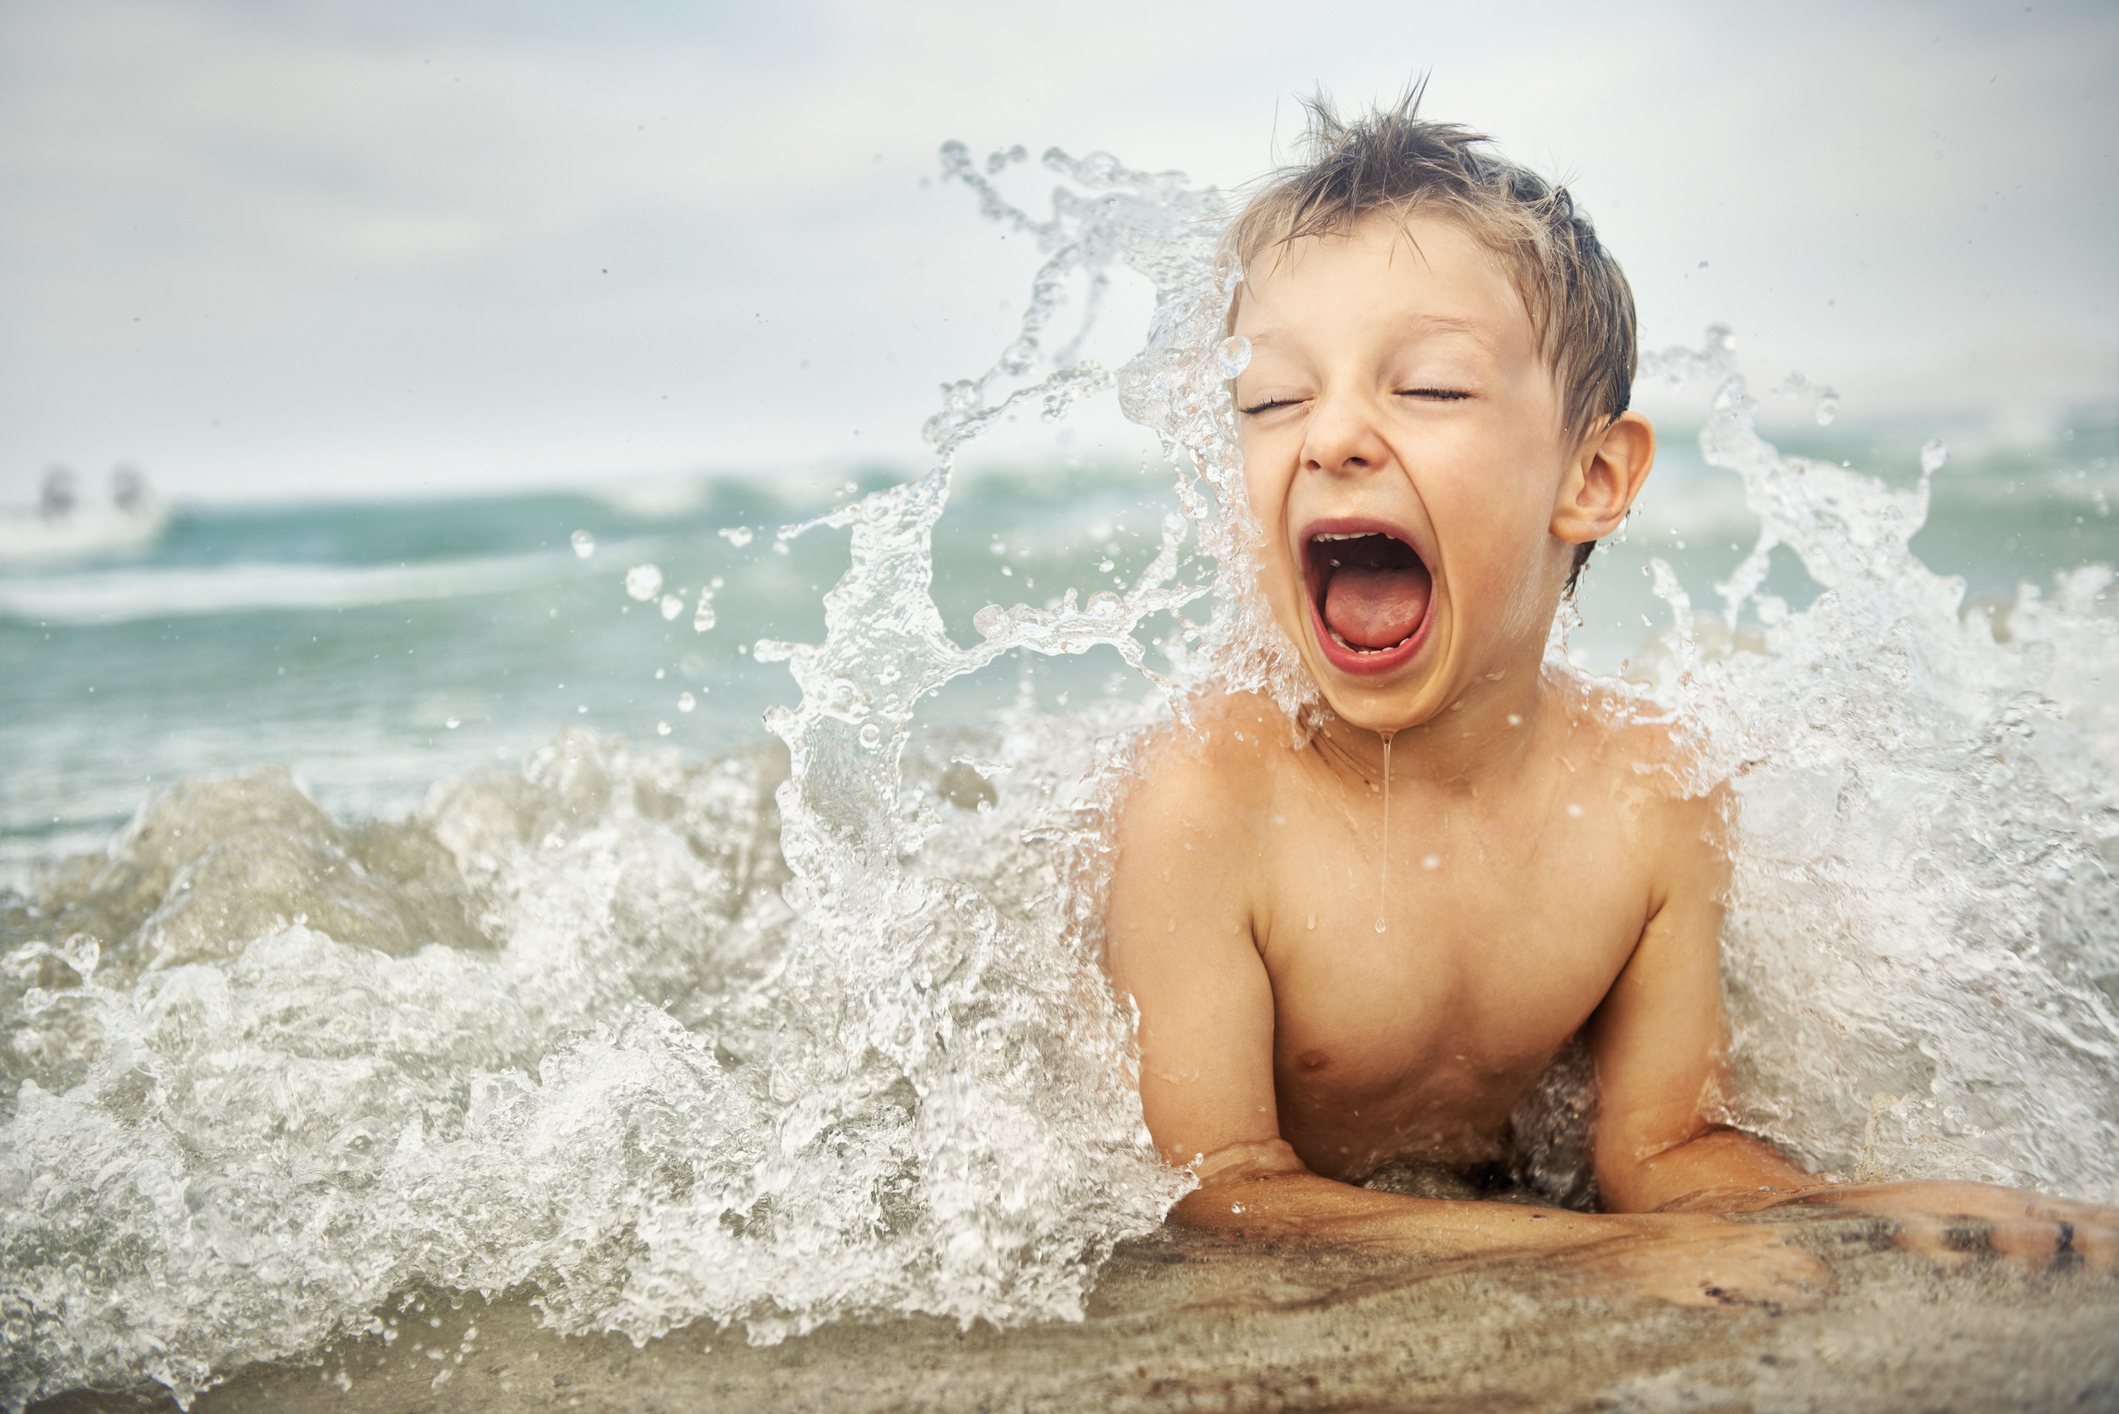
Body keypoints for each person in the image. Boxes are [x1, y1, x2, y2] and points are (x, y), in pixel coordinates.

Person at [1103, 94, 2116, 1309]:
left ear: (1591, 476)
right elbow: (1218, 1192)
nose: (1329, 436)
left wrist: (1885, 1210)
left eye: (1426, 389)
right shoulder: (1205, 801)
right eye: (1269, 401)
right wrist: (1593, 1253)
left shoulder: (1648, 797)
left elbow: (1663, 1151)